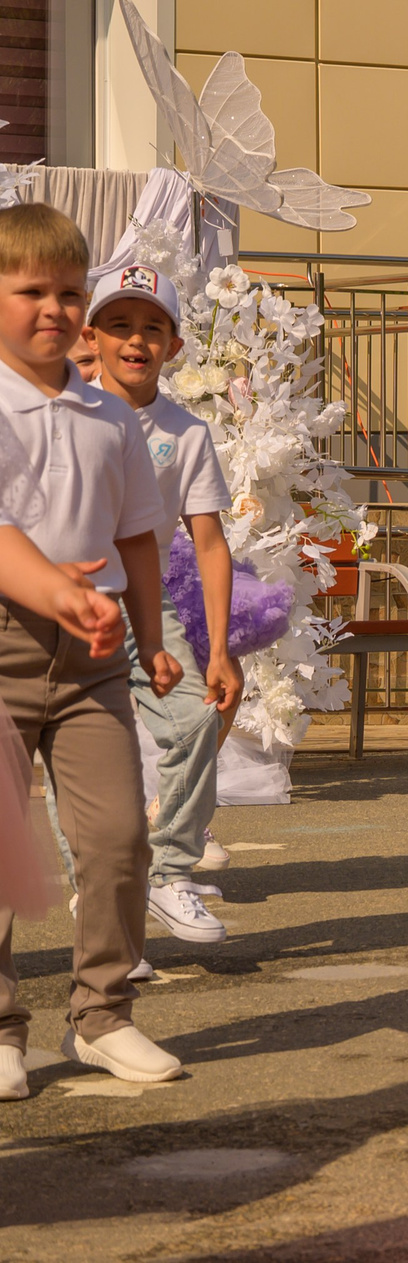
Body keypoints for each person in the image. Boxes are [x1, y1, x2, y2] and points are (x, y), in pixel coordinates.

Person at [0, 204, 186, 1091]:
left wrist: (149, 638)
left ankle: (103, 1013)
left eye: (70, 291)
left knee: (116, 835)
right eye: (30, 289)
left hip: (95, 658)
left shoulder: (109, 418)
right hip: (4, 647)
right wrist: (60, 592)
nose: (55, 308)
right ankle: (1, 1028)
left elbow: (141, 535)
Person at [82, 265, 241, 950]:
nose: (136, 340)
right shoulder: (62, 411)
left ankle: (169, 869)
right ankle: (100, 909)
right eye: (120, 324)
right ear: (92, 336)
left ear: (175, 347)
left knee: (200, 713)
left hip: (150, 608)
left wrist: (221, 646)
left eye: (153, 327)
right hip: (70, 608)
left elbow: (209, 544)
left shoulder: (189, 432)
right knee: (86, 758)